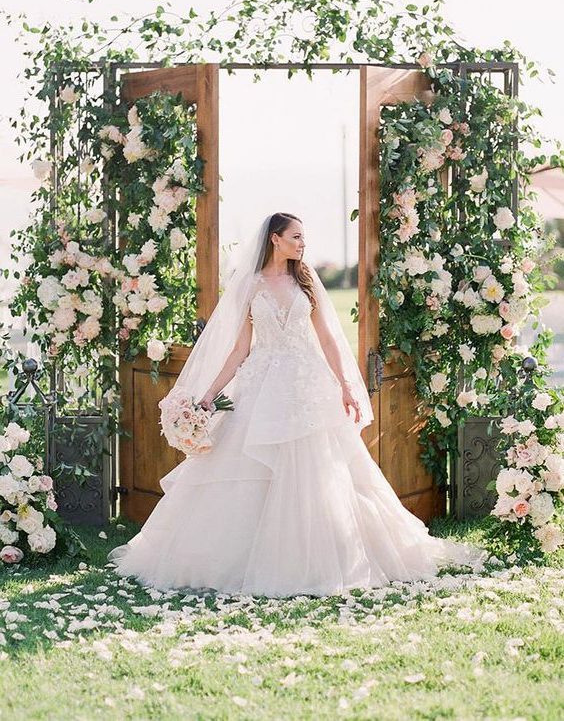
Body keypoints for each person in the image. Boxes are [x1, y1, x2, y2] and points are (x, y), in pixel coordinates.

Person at [108, 212, 488, 597]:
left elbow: (327, 340)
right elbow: (240, 349)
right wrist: (208, 396)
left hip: (308, 387)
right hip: (261, 388)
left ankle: (326, 556)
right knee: (246, 467)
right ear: (275, 239)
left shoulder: (305, 282)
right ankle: (237, 560)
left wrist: (346, 386)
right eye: (296, 237)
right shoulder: (250, 287)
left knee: (325, 470)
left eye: (303, 237)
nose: (302, 243)